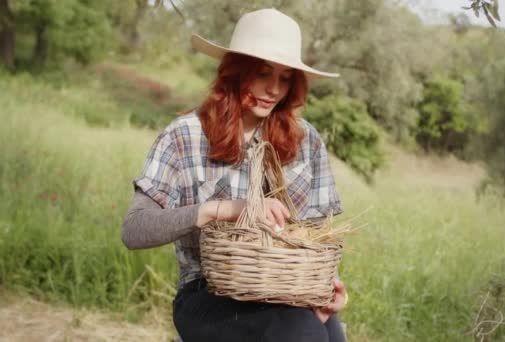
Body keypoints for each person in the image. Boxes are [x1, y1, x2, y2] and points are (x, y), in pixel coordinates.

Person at [121, 8, 347, 342]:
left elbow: (316, 235)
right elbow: (134, 230)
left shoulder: (306, 141)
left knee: (329, 334)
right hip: (207, 293)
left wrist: (329, 286)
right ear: (235, 71)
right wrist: (222, 209)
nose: (273, 89)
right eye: (262, 73)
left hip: (287, 290)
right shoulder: (185, 136)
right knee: (302, 333)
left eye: (285, 78)